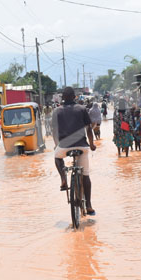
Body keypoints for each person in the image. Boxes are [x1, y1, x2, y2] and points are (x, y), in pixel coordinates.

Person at [52, 87, 97, 215]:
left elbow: (54, 131)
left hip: (64, 146)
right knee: (86, 175)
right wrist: (92, 144)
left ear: (62, 97)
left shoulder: (57, 111)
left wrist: (56, 145)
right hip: (81, 146)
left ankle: (63, 179)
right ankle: (88, 205)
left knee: (57, 157)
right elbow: (89, 129)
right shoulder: (82, 109)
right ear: (74, 97)